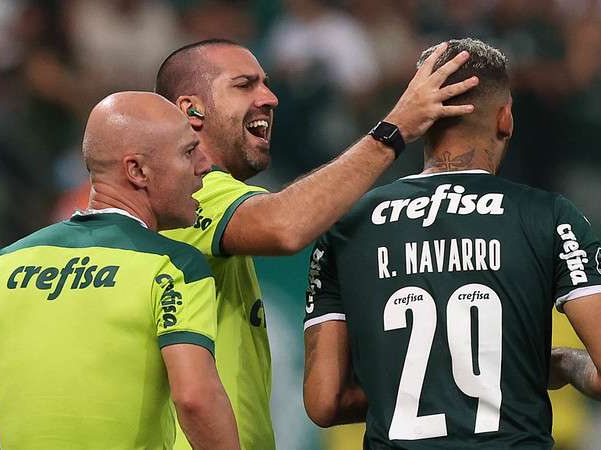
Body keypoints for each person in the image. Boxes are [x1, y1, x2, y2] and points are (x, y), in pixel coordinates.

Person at [302, 38, 601, 449]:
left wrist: (420, 393)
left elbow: (325, 402)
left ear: (424, 119)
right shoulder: (550, 217)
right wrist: (563, 362)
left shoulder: (347, 225)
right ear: (506, 119)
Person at [154, 38, 478, 449]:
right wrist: (393, 131)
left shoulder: (210, 202)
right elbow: (285, 225)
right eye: (244, 85)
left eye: (267, 84)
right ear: (190, 109)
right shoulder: (188, 192)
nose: (269, 98)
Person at [0, 92, 240, 450]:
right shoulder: (174, 266)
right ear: (136, 170)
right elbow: (195, 399)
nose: (204, 165)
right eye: (188, 152)